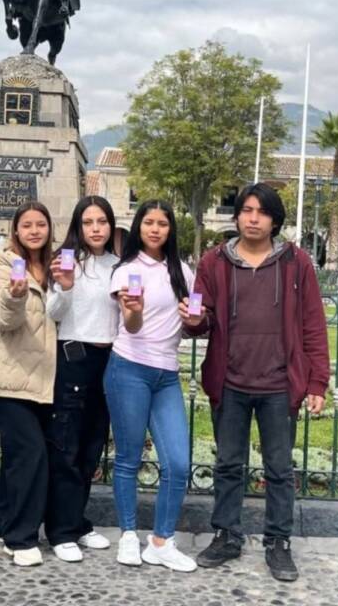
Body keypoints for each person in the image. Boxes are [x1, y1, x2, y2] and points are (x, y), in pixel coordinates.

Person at [186, 183, 329, 582]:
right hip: (229, 382)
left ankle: (278, 542)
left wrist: (317, 382)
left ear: (274, 219)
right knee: (229, 464)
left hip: (279, 385)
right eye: (246, 210)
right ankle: (227, 535)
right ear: (237, 217)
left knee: (279, 468)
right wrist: (194, 320)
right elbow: (202, 318)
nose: (252, 218)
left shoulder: (296, 263)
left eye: (261, 212)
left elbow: (313, 325)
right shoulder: (213, 262)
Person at [104, 200, 197, 573]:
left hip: (166, 375)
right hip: (128, 369)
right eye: (149, 222)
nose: (155, 229)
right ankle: (128, 534)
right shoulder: (125, 271)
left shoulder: (183, 272)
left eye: (162, 223)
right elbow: (132, 326)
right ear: (138, 227)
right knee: (128, 458)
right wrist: (135, 308)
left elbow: (190, 323)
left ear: (171, 229)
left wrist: (194, 318)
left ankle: (161, 541)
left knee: (177, 462)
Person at [45, 195, 119, 562]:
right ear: (78, 225)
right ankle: (60, 530)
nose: (95, 228)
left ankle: (77, 522)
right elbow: (52, 313)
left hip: (109, 360)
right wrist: (66, 285)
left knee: (92, 445)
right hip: (73, 356)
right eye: (88, 222)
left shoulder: (121, 266)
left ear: (110, 225)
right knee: (67, 445)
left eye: (101, 221)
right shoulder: (67, 261)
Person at [0, 201, 57, 567]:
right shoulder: (2, 264)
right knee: (31, 456)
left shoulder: (58, 267)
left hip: (47, 378)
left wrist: (68, 287)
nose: (33, 231)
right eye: (26, 225)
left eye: (40, 224)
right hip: (11, 376)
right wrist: (14, 295)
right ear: (16, 229)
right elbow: (4, 320)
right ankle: (20, 536)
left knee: (18, 457)